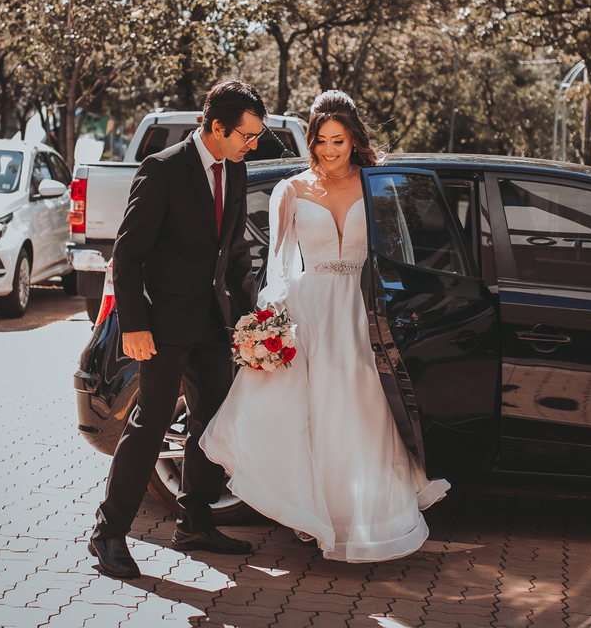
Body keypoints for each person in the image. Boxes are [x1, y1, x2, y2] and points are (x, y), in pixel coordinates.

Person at [201, 90, 449, 563]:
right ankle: (317, 518)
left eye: (339, 140)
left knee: (362, 415)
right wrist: (269, 324)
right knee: (309, 419)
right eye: (321, 141)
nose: (330, 150)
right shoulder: (290, 190)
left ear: (354, 139)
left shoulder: (377, 186)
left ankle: (360, 520)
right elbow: (278, 266)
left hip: (361, 311)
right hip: (309, 312)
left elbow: (397, 254)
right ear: (310, 141)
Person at [88, 80, 265, 579]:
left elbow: (234, 252)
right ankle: (108, 533)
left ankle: (195, 522)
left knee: (210, 424)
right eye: (247, 135)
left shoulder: (236, 169)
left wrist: (248, 319)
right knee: (149, 425)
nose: (253, 145)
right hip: (162, 325)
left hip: (213, 323)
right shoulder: (162, 169)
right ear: (217, 127)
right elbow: (128, 254)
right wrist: (134, 325)